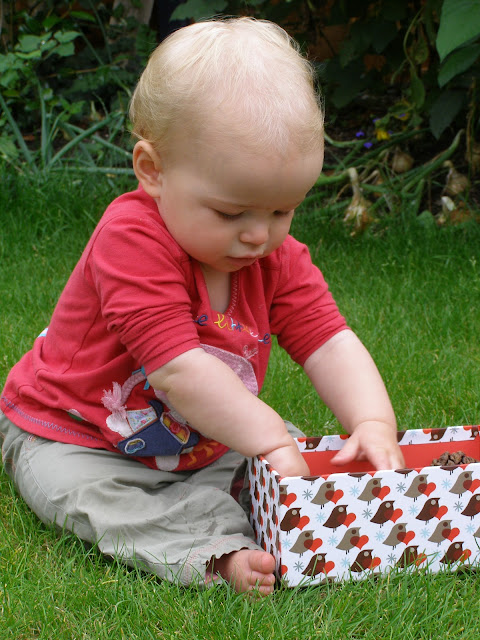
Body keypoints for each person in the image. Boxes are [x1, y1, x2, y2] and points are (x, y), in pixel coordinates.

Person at [0, 17, 404, 596]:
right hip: (75, 435)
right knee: (91, 498)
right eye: (231, 212)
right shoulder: (131, 240)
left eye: (282, 210)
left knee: (286, 457)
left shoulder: (273, 255)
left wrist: (371, 421)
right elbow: (179, 372)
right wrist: (269, 440)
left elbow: (328, 340)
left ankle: (264, 505)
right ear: (153, 171)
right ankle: (213, 550)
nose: (258, 235)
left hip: (200, 438)